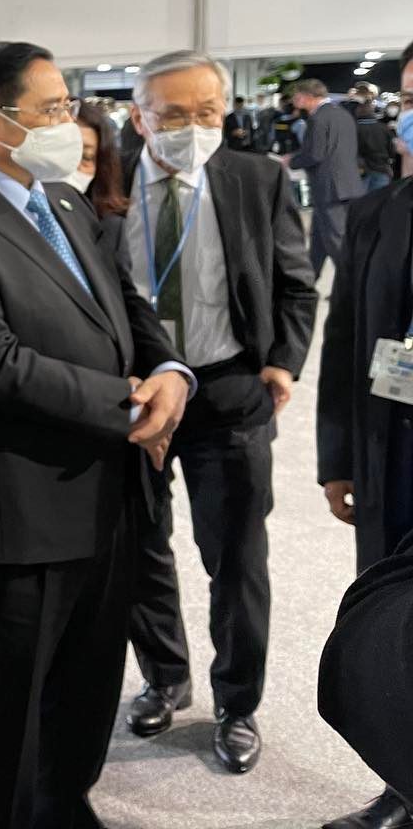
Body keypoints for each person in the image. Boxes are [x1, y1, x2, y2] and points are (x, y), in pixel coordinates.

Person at [0, 41, 190, 829]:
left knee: (86, 687)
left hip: (107, 495)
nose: (70, 120)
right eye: (53, 108)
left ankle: (65, 807)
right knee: (4, 706)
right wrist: (127, 403)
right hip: (17, 511)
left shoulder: (61, 202)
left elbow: (126, 303)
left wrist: (170, 372)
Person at [115, 52, 316, 775]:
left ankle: (237, 702)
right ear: (138, 116)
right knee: (137, 548)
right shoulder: (102, 187)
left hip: (227, 390)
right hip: (133, 394)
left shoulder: (256, 178)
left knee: (236, 558)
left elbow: (296, 282)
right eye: (173, 114)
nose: (193, 127)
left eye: (207, 112)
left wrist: (283, 359)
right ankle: (164, 676)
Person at [316, 40, 413, 829]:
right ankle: (402, 783)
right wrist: (338, 459)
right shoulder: (377, 213)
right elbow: (345, 342)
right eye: (411, 99)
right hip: (395, 452)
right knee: (388, 625)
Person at [287, 78, 365, 275]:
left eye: (297, 96)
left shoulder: (317, 119)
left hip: (330, 189)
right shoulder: (343, 114)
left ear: (308, 97)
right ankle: (308, 281)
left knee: (337, 241)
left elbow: (315, 154)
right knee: (319, 241)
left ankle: (353, 286)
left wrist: (290, 161)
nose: (295, 100)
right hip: (347, 186)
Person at [350, 82, 396, 195]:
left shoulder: (353, 129)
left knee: (361, 201)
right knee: (379, 200)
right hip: (382, 169)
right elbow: (392, 150)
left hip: (361, 171)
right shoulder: (384, 128)